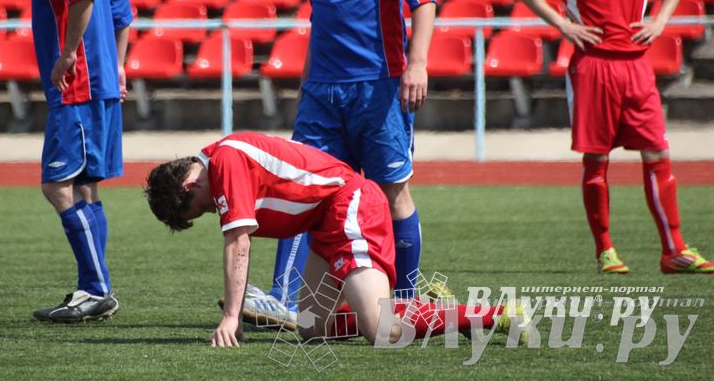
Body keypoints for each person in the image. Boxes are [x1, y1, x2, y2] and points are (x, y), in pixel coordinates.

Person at [241, 0, 438, 327]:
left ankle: (406, 300)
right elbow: (323, 18)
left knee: (393, 192)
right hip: (323, 94)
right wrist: (307, 84)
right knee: (301, 190)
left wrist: (417, 63)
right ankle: (284, 299)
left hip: (377, 87)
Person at [511, 0, 713, 275]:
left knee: (657, 151)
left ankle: (673, 249)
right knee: (596, 159)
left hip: (636, 65)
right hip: (592, 66)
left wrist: (659, 21)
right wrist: (564, 25)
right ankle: (606, 250)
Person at [144, 132, 516, 347]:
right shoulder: (221, 160)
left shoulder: (224, 161)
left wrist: (230, 317)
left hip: (350, 205)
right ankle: (407, 306)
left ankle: (493, 315)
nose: (211, 211)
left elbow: (239, 241)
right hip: (325, 223)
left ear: (187, 186)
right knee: (310, 328)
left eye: (200, 209)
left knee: (382, 332)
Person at [0, 0, 134, 321]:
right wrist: (121, 65)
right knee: (86, 186)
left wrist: (69, 52)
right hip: (100, 86)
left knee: (57, 186)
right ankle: (93, 290)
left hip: (78, 89)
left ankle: (95, 289)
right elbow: (123, 5)